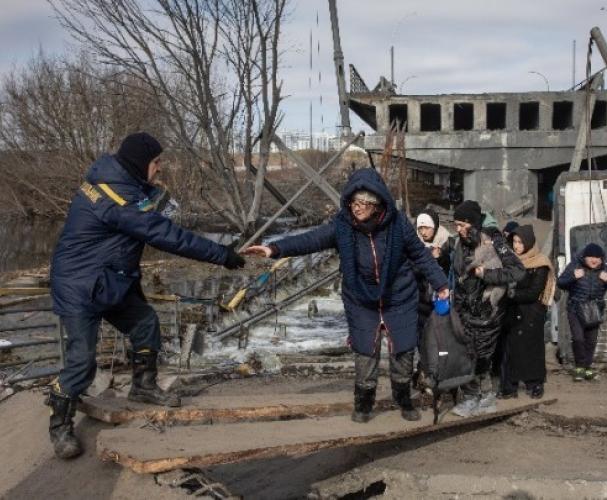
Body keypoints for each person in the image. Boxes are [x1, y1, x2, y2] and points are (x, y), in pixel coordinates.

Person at [48, 132, 245, 459]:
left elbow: (147, 210)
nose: (160, 168)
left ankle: (143, 386)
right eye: (156, 162)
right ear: (140, 163)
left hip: (107, 279)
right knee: (82, 361)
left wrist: (157, 195)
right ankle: (59, 426)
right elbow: (164, 234)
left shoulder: (119, 183)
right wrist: (221, 255)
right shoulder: (115, 197)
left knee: (145, 325)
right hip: (79, 286)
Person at [246, 168, 449, 423]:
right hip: (361, 299)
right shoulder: (342, 226)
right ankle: (363, 404)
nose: (358, 207)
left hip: (399, 297)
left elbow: (420, 255)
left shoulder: (398, 224)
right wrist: (274, 248)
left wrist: (441, 283)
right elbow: (311, 240)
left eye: (364, 203)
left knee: (403, 352)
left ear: (377, 204)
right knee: (365, 352)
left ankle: (403, 399)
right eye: (354, 202)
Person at [448, 200, 525, 417]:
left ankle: (484, 398)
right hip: (464, 309)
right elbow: (459, 275)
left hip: (487, 310)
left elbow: (518, 271)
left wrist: (487, 274)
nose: (458, 229)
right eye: (456, 225)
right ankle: (474, 397)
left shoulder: (495, 240)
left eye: (462, 225)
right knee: (465, 354)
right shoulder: (460, 243)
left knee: (480, 356)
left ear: (473, 224)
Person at [498, 225, 555, 399]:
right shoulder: (509, 261)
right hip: (511, 311)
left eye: (520, 242)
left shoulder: (540, 263)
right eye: (514, 241)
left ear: (529, 243)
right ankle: (509, 386)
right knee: (510, 349)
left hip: (531, 312)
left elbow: (534, 292)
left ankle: (535, 383)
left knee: (531, 349)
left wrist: (511, 294)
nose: (516, 246)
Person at [557, 243, 607, 381]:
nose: (594, 260)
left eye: (598, 257)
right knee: (578, 339)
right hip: (576, 308)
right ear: (584, 257)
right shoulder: (575, 266)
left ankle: (587, 367)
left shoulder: (606, 269)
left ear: (602, 259)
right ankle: (579, 367)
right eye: (591, 257)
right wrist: (573, 276)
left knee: (591, 341)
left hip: (594, 310)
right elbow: (560, 283)